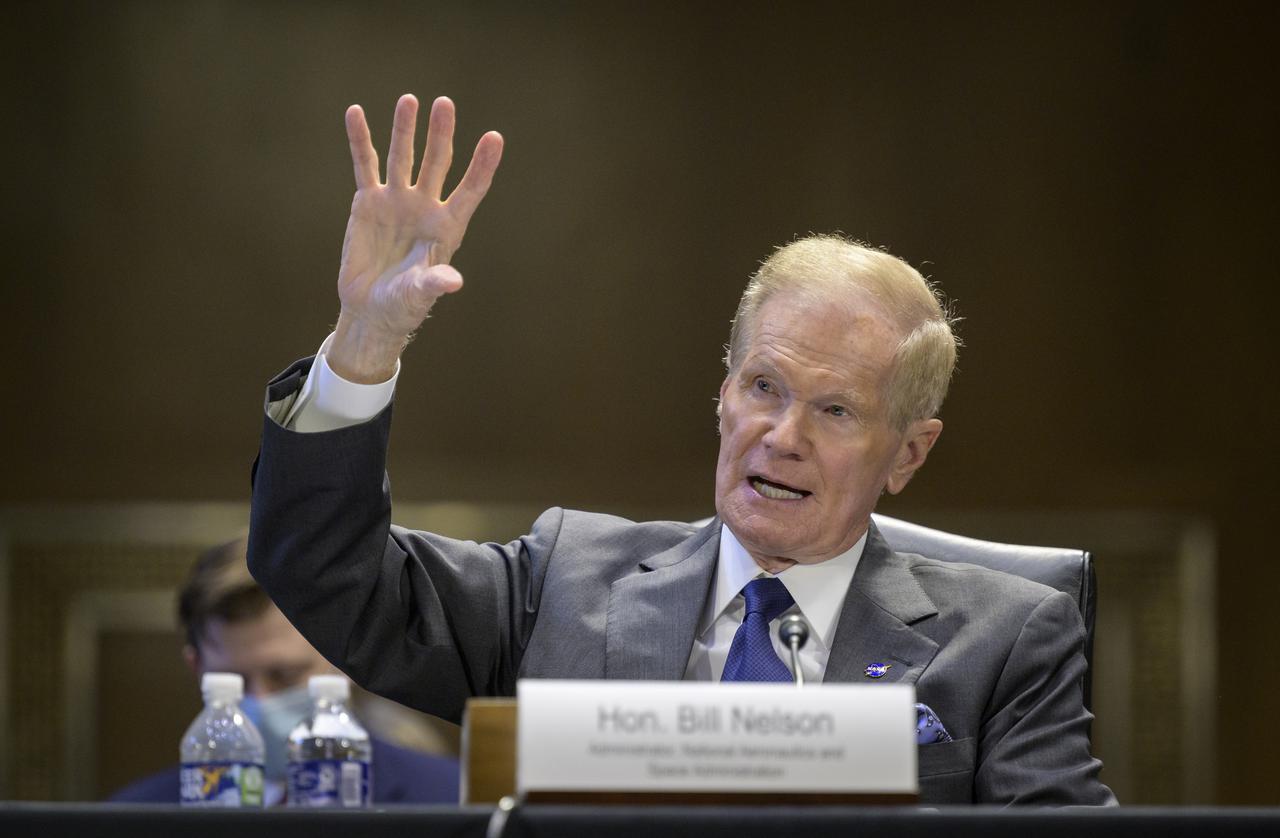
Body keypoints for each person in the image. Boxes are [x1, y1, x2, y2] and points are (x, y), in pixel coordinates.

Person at [248, 94, 1115, 805]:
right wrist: (362, 343)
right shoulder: (568, 584)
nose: (784, 436)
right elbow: (327, 572)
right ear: (724, 392)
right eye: (764, 388)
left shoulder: (1005, 641)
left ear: (908, 456)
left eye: (838, 411)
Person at [108, 535, 459, 804]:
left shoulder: (449, 798)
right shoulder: (131, 819)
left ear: (347, 657)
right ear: (196, 669)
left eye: (286, 675)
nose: (259, 703)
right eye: (232, 682)